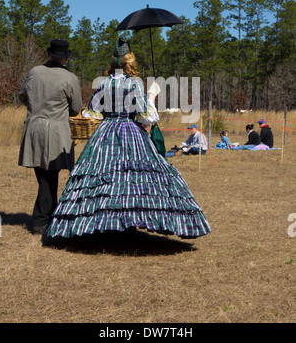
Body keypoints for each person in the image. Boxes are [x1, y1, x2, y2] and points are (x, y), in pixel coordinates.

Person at [44, 38, 211, 240]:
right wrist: (151, 94)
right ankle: (129, 220)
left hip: (105, 132)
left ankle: (101, 222)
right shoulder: (134, 83)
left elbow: (91, 113)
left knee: (104, 177)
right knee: (133, 178)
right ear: (130, 64)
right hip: (130, 131)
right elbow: (145, 116)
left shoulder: (103, 82)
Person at [18, 39, 83, 234]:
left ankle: (47, 215)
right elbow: (75, 108)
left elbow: (23, 96)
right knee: (48, 178)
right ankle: (41, 221)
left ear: (48, 55)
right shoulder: (70, 78)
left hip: (33, 128)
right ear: (66, 58)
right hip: (54, 131)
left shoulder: (34, 72)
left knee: (45, 176)